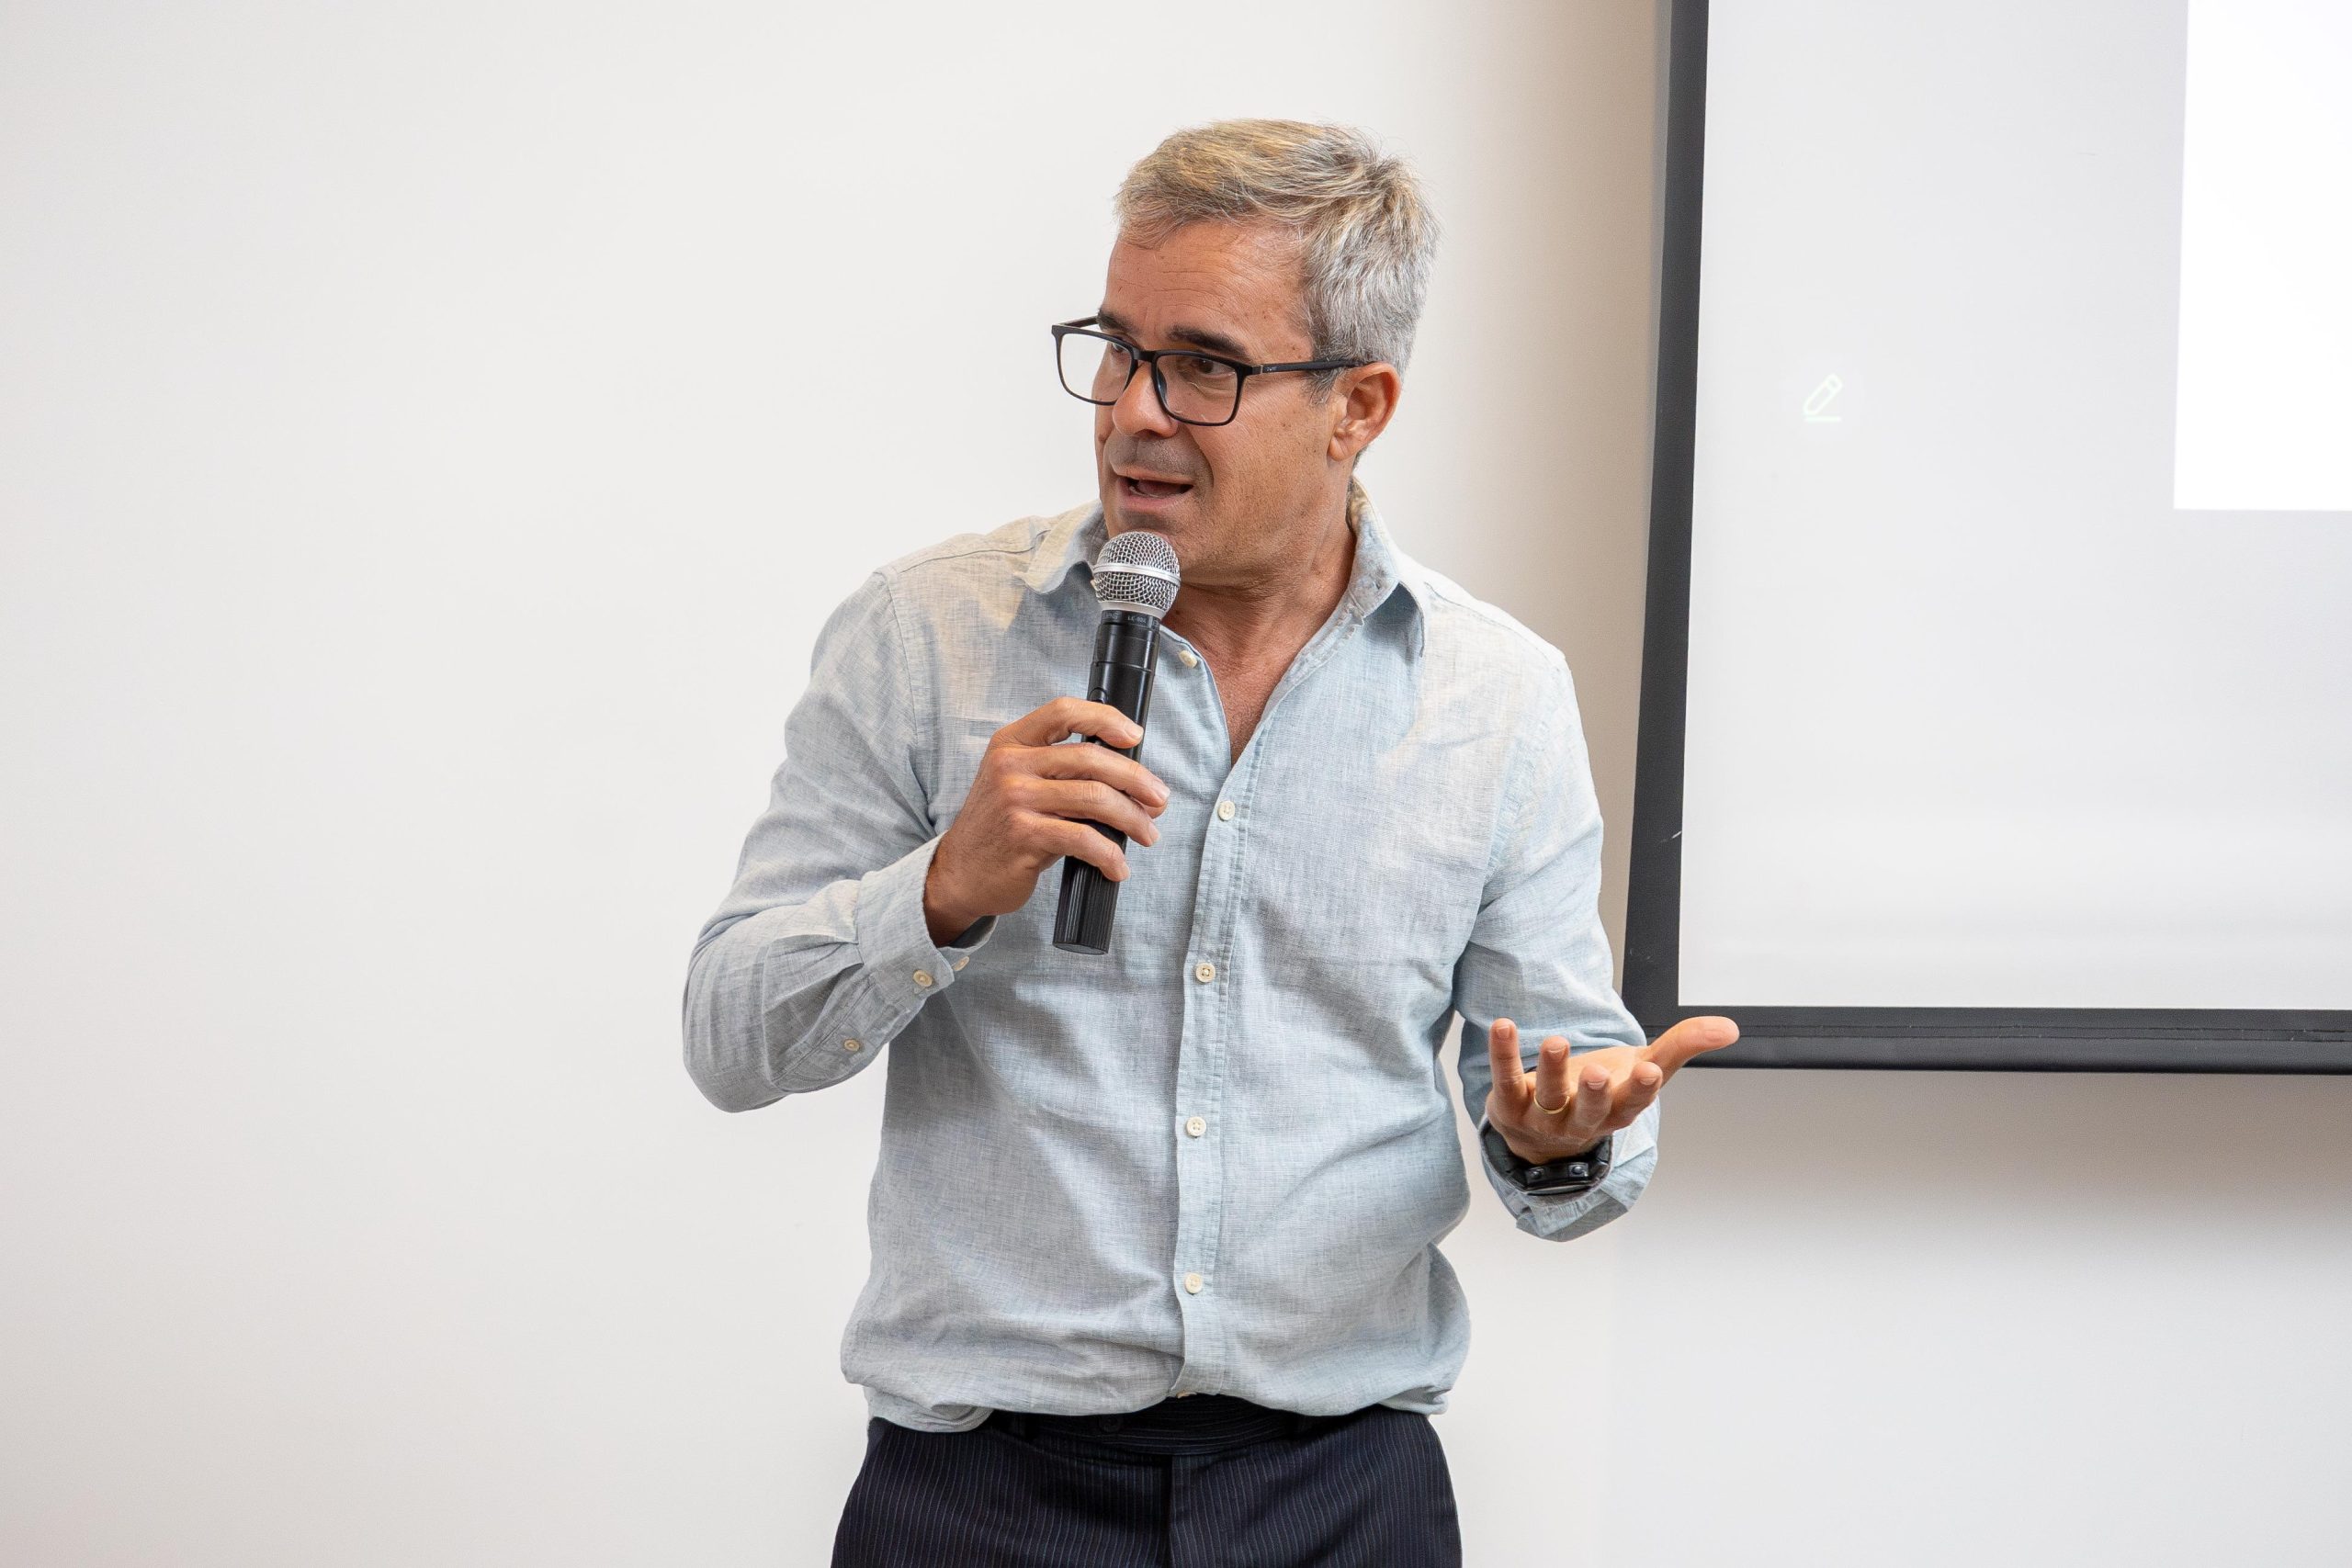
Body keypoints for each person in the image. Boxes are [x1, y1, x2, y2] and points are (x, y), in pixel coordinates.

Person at [681, 117, 1738, 1568]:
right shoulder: (928, 636)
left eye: (1204, 368)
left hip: (1338, 1495)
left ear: (1358, 405)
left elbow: (1566, 1104)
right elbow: (731, 1036)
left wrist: (1556, 1145)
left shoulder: (1494, 697)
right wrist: (939, 891)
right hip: (980, 1498)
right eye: (1114, 349)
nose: (1132, 412)